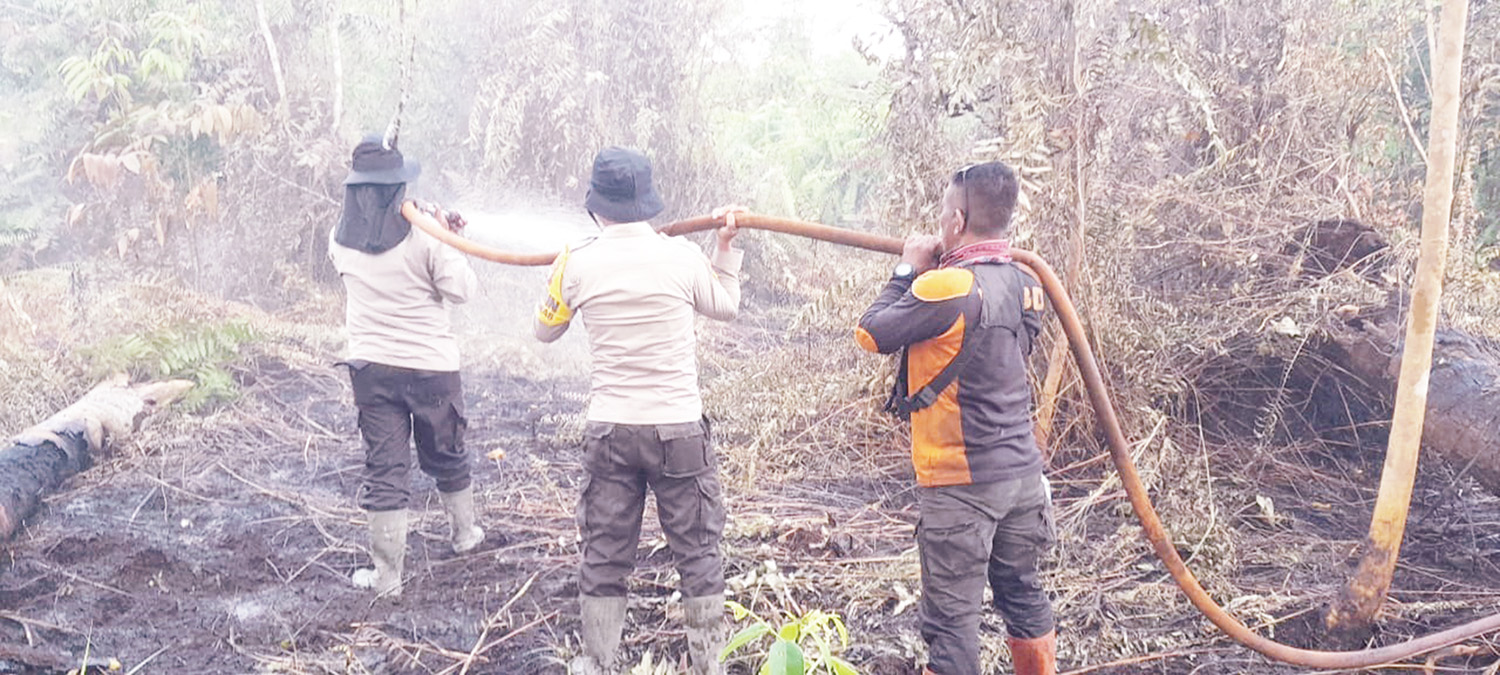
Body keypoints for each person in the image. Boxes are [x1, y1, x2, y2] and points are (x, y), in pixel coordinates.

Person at [534, 146, 741, 675]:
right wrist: (724, 248)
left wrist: (558, 278)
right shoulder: (682, 257)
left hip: (612, 433)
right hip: (679, 433)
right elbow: (727, 306)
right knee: (697, 552)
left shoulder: (576, 264)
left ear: (596, 207)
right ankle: (708, 665)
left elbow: (545, 331)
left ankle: (596, 661)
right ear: (646, 203)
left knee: (604, 553)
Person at [855, 161, 1057, 675]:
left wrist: (906, 267)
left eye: (945, 212)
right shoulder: (1030, 283)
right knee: (1023, 596)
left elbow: (872, 333)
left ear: (957, 222)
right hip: (1023, 479)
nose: (940, 221)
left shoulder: (945, 287)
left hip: (960, 487)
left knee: (951, 625)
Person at [328, 135, 485, 598]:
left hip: (372, 372)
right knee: (447, 452)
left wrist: (438, 232)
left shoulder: (338, 240)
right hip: (431, 369)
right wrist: (449, 237)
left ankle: (388, 578)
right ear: (397, 189)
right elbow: (462, 290)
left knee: (385, 470)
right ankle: (464, 535)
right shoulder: (426, 239)